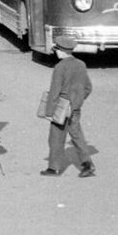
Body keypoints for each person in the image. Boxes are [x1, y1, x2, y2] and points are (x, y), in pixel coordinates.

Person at [41, 36, 95, 177]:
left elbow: (55, 91)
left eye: (56, 50)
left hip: (61, 107)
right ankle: (87, 164)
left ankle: (53, 168)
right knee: (77, 135)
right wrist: (77, 102)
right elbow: (88, 87)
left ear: (61, 51)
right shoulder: (81, 64)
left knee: (56, 137)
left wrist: (49, 111)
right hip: (75, 107)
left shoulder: (60, 67)